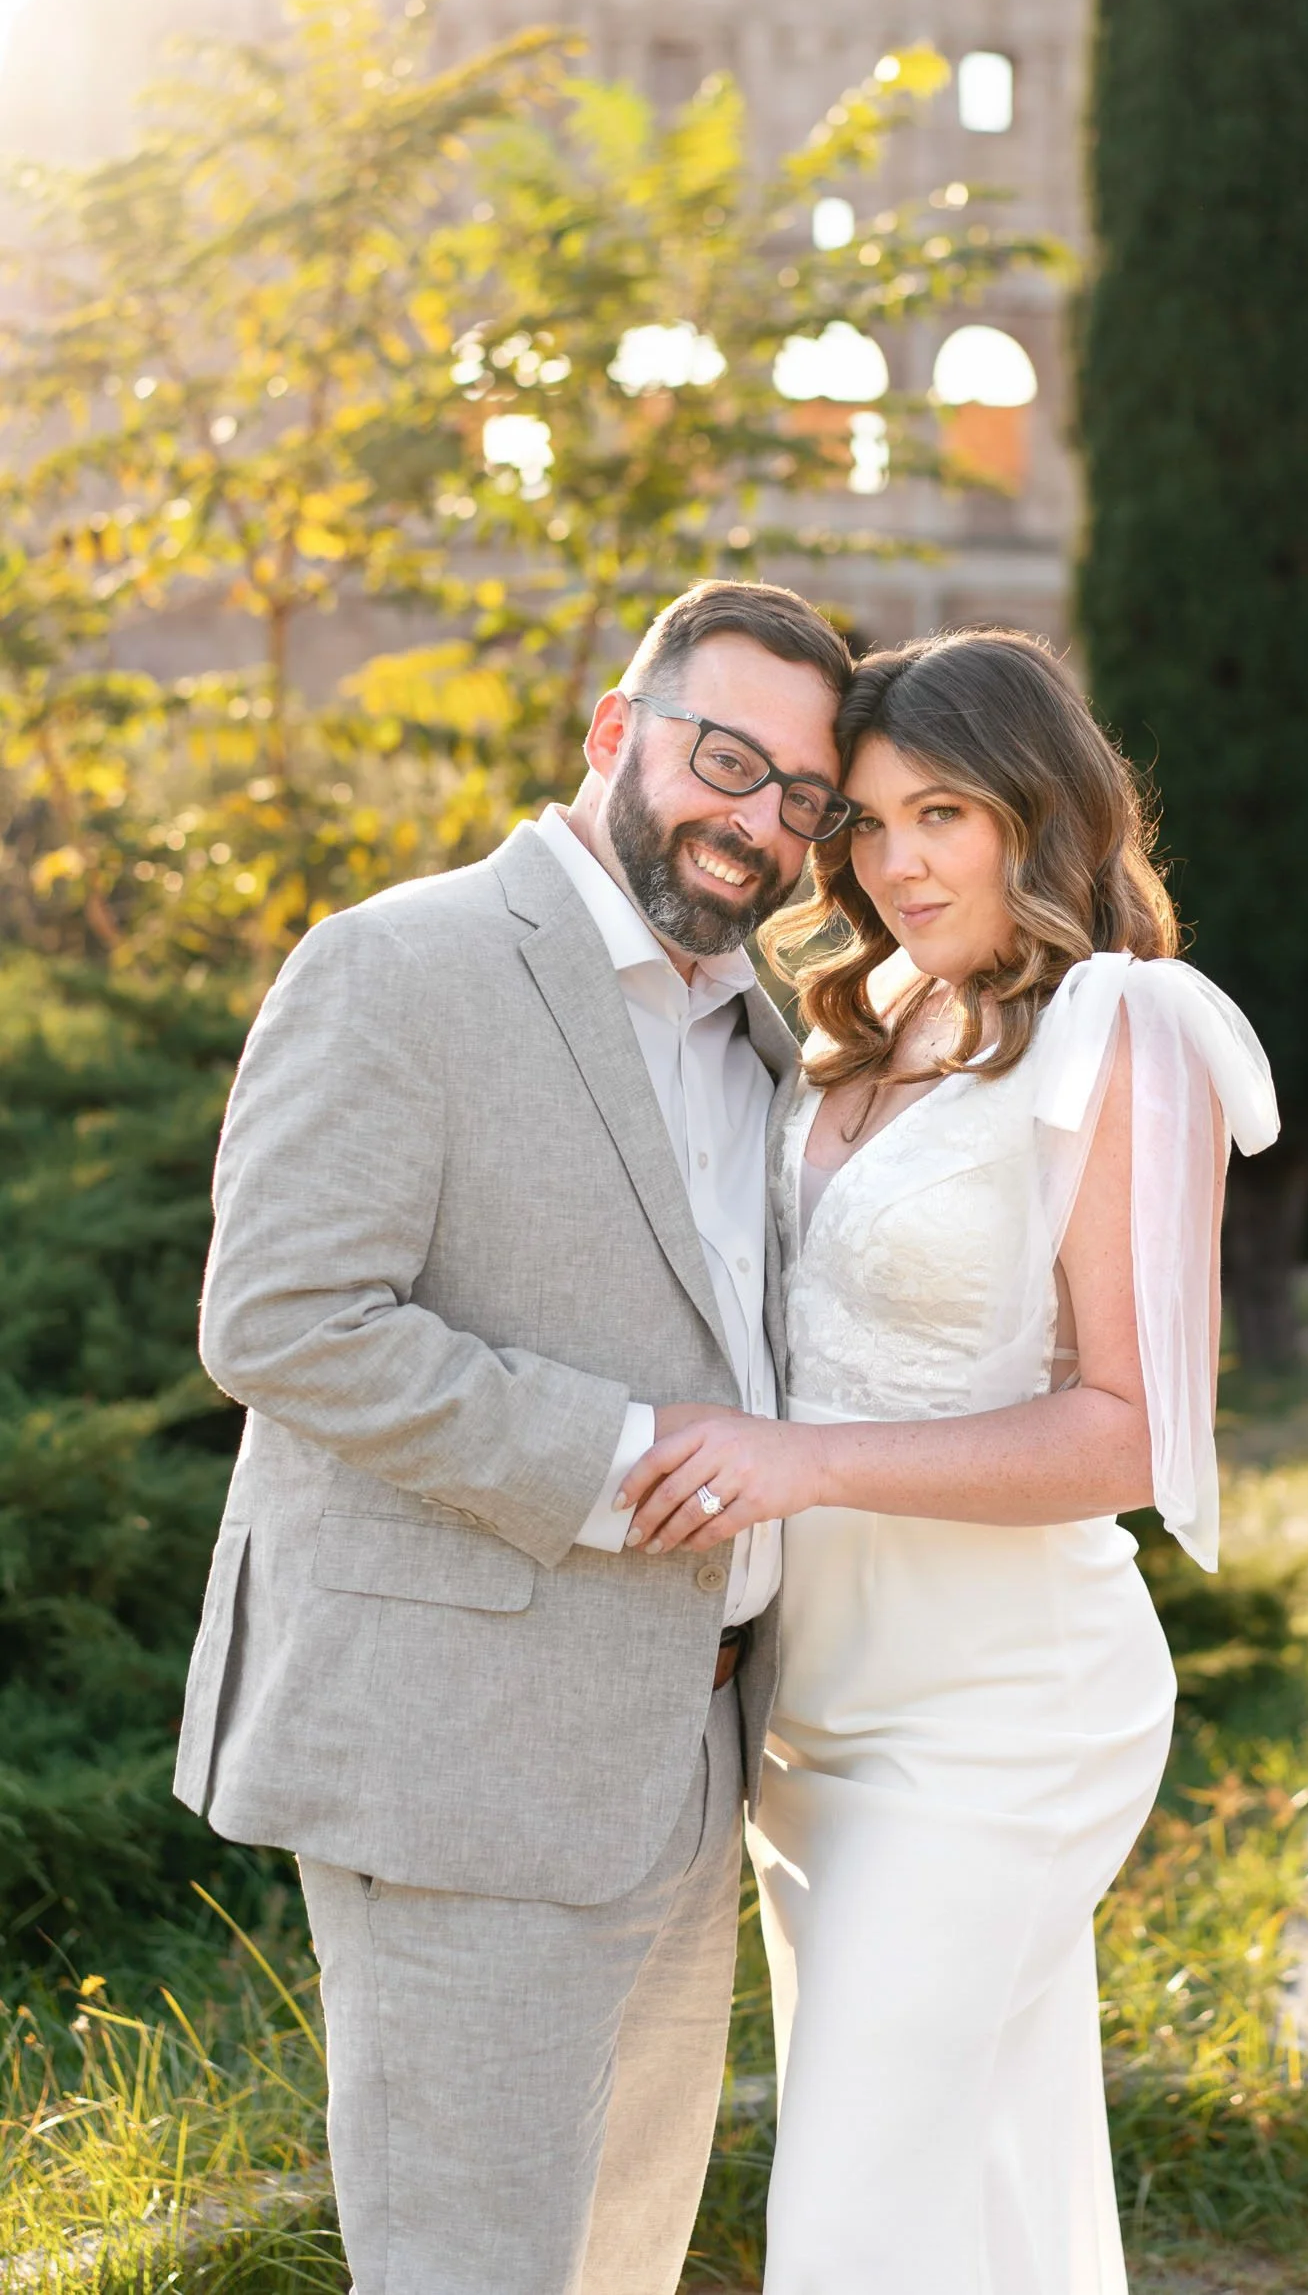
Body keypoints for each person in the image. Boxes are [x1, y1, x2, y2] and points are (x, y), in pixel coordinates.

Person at [173, 579, 856, 2295]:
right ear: (616, 733)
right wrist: (627, 1460)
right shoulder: (400, 962)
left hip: (690, 1761)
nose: (757, 822)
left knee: (619, 2265)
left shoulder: (761, 1027)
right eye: (726, 757)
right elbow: (282, 1319)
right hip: (464, 1758)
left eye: (803, 799)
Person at [621, 628, 1280, 2295]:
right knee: (973, 2176)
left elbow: (1128, 1429)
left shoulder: (1122, 1029)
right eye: (864, 822)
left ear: (1035, 814)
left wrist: (799, 1461)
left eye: (946, 816)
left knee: (852, 2209)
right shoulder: (869, 1011)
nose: (895, 863)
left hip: (1001, 1709)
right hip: (815, 1708)